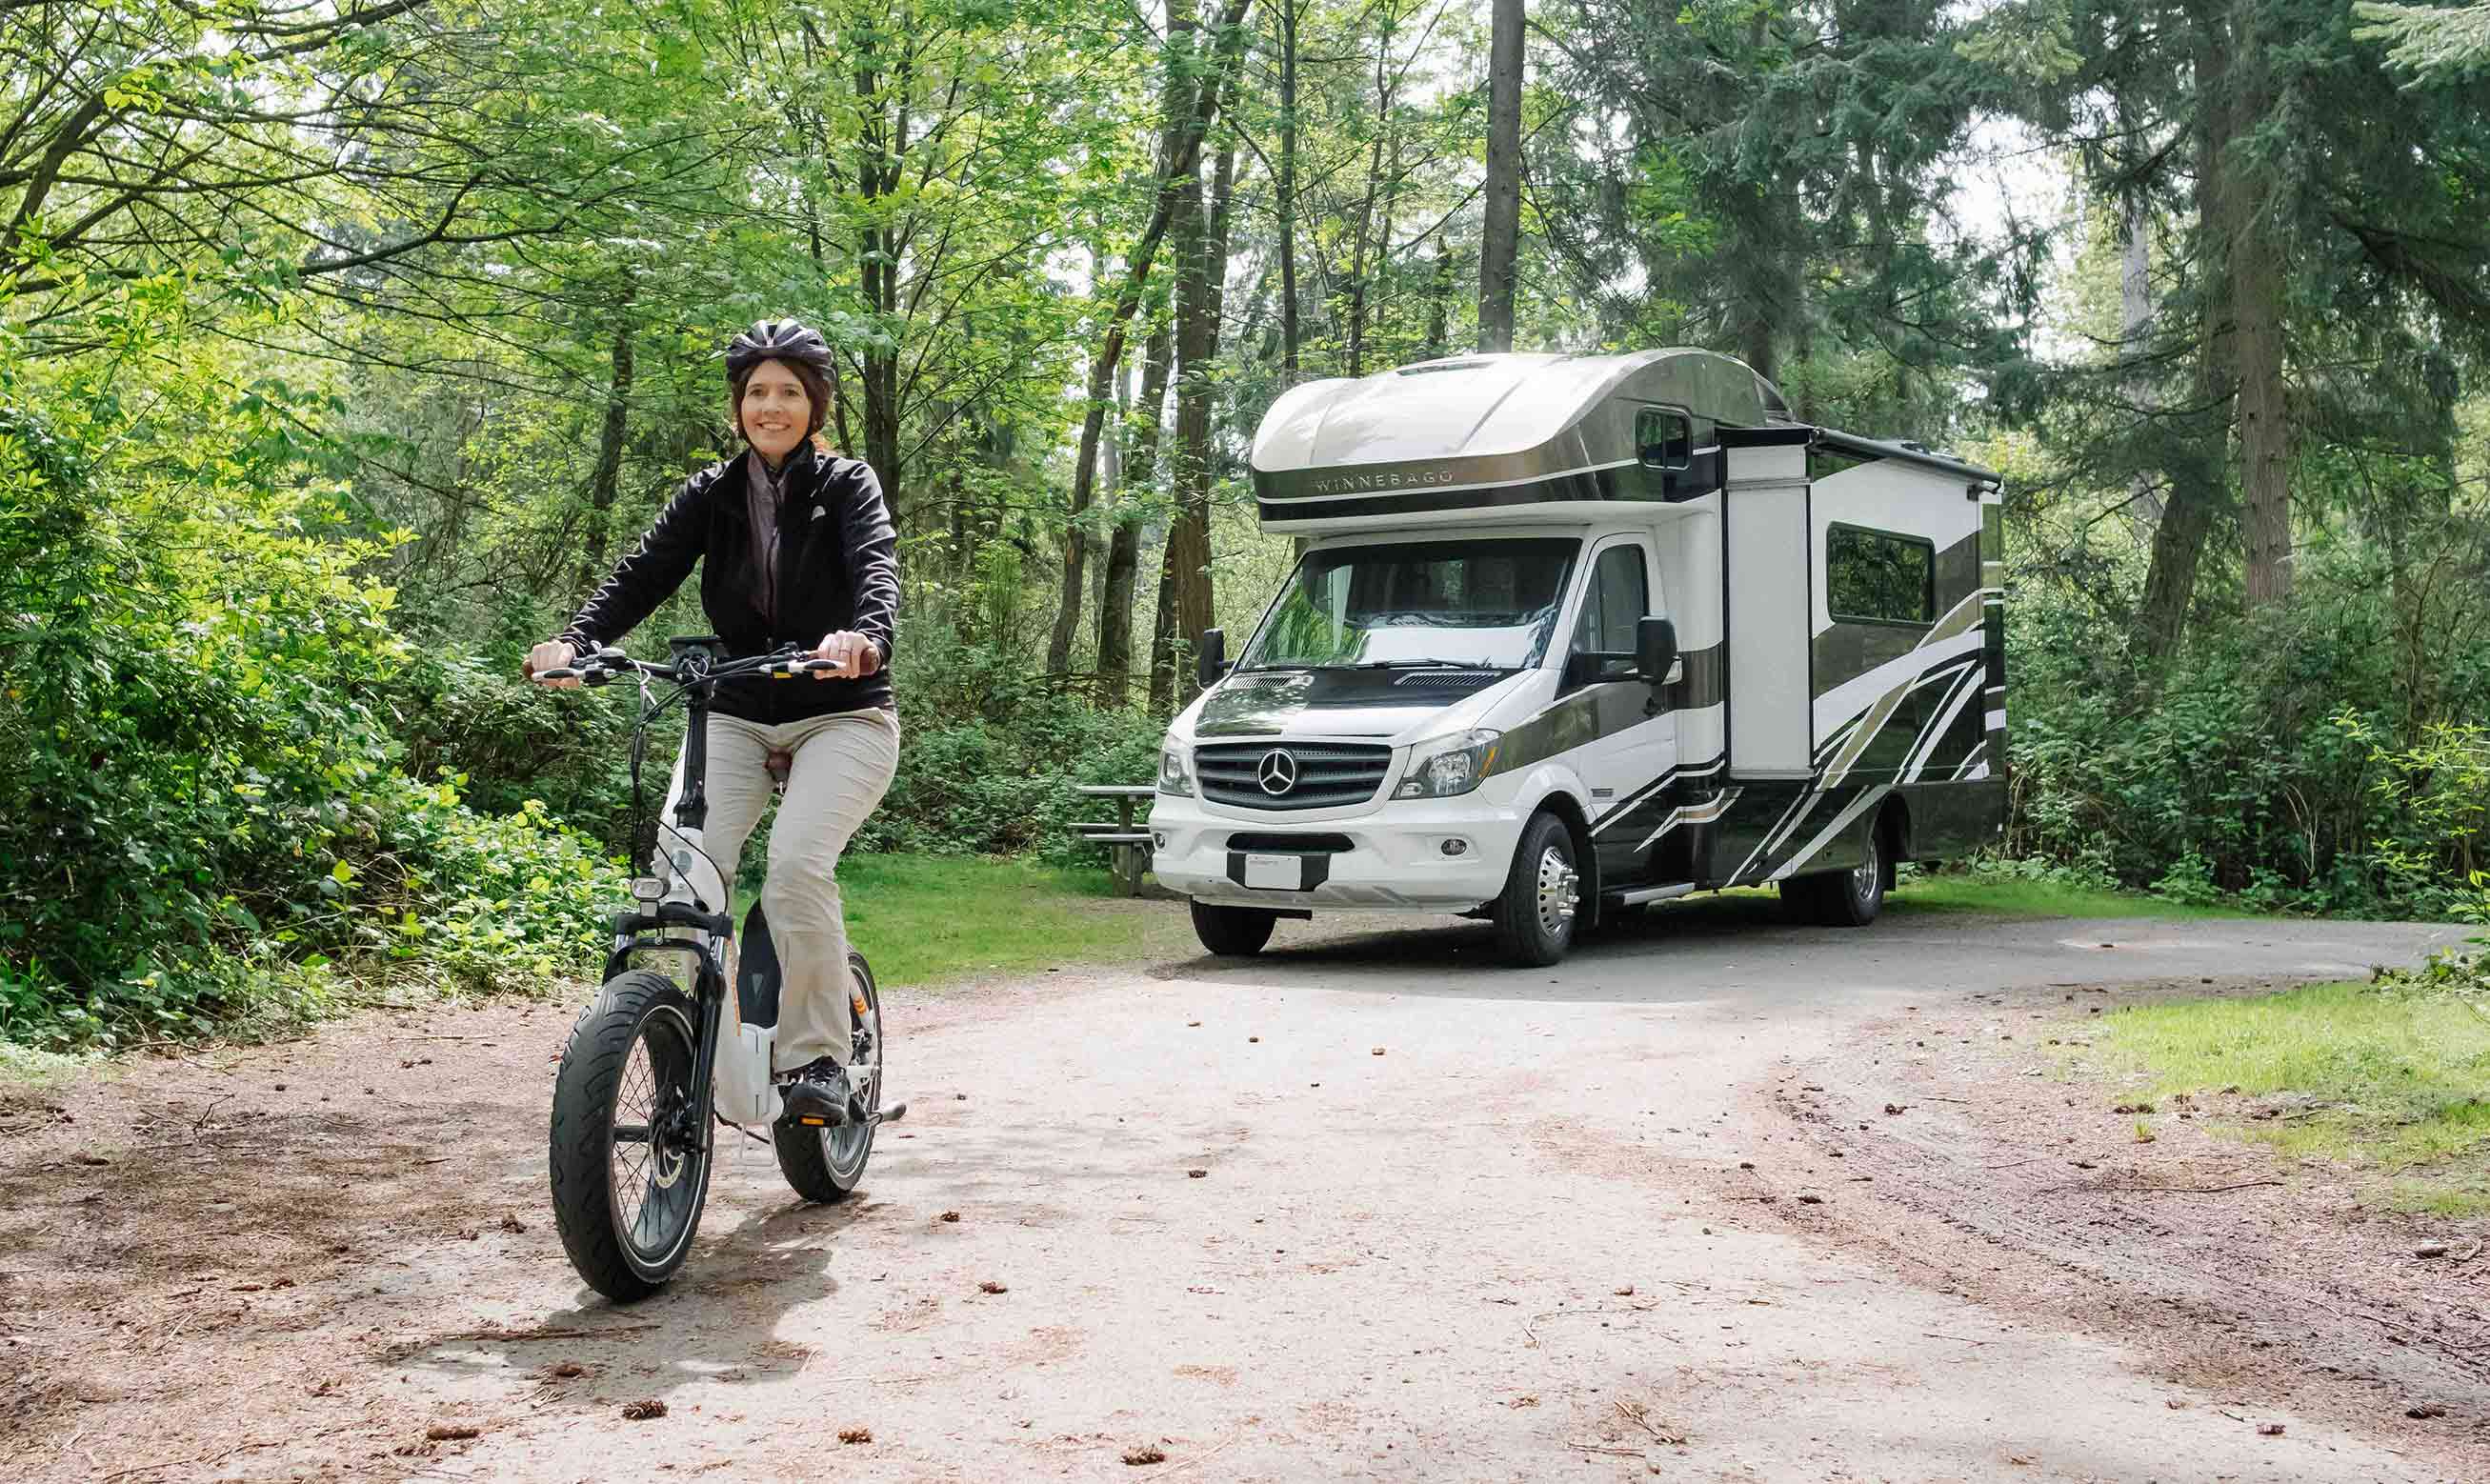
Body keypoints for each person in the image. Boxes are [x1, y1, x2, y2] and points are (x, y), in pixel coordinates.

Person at [526, 319, 899, 1128]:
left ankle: (818, 1059)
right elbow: (644, 574)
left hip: (841, 713)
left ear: (816, 406)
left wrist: (864, 638)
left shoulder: (846, 487)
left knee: (797, 869)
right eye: (757, 393)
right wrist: (581, 642)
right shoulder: (710, 495)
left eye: (790, 393)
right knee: (685, 883)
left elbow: (877, 567)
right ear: (738, 407)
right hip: (734, 708)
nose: (772, 407)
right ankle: (684, 1044)